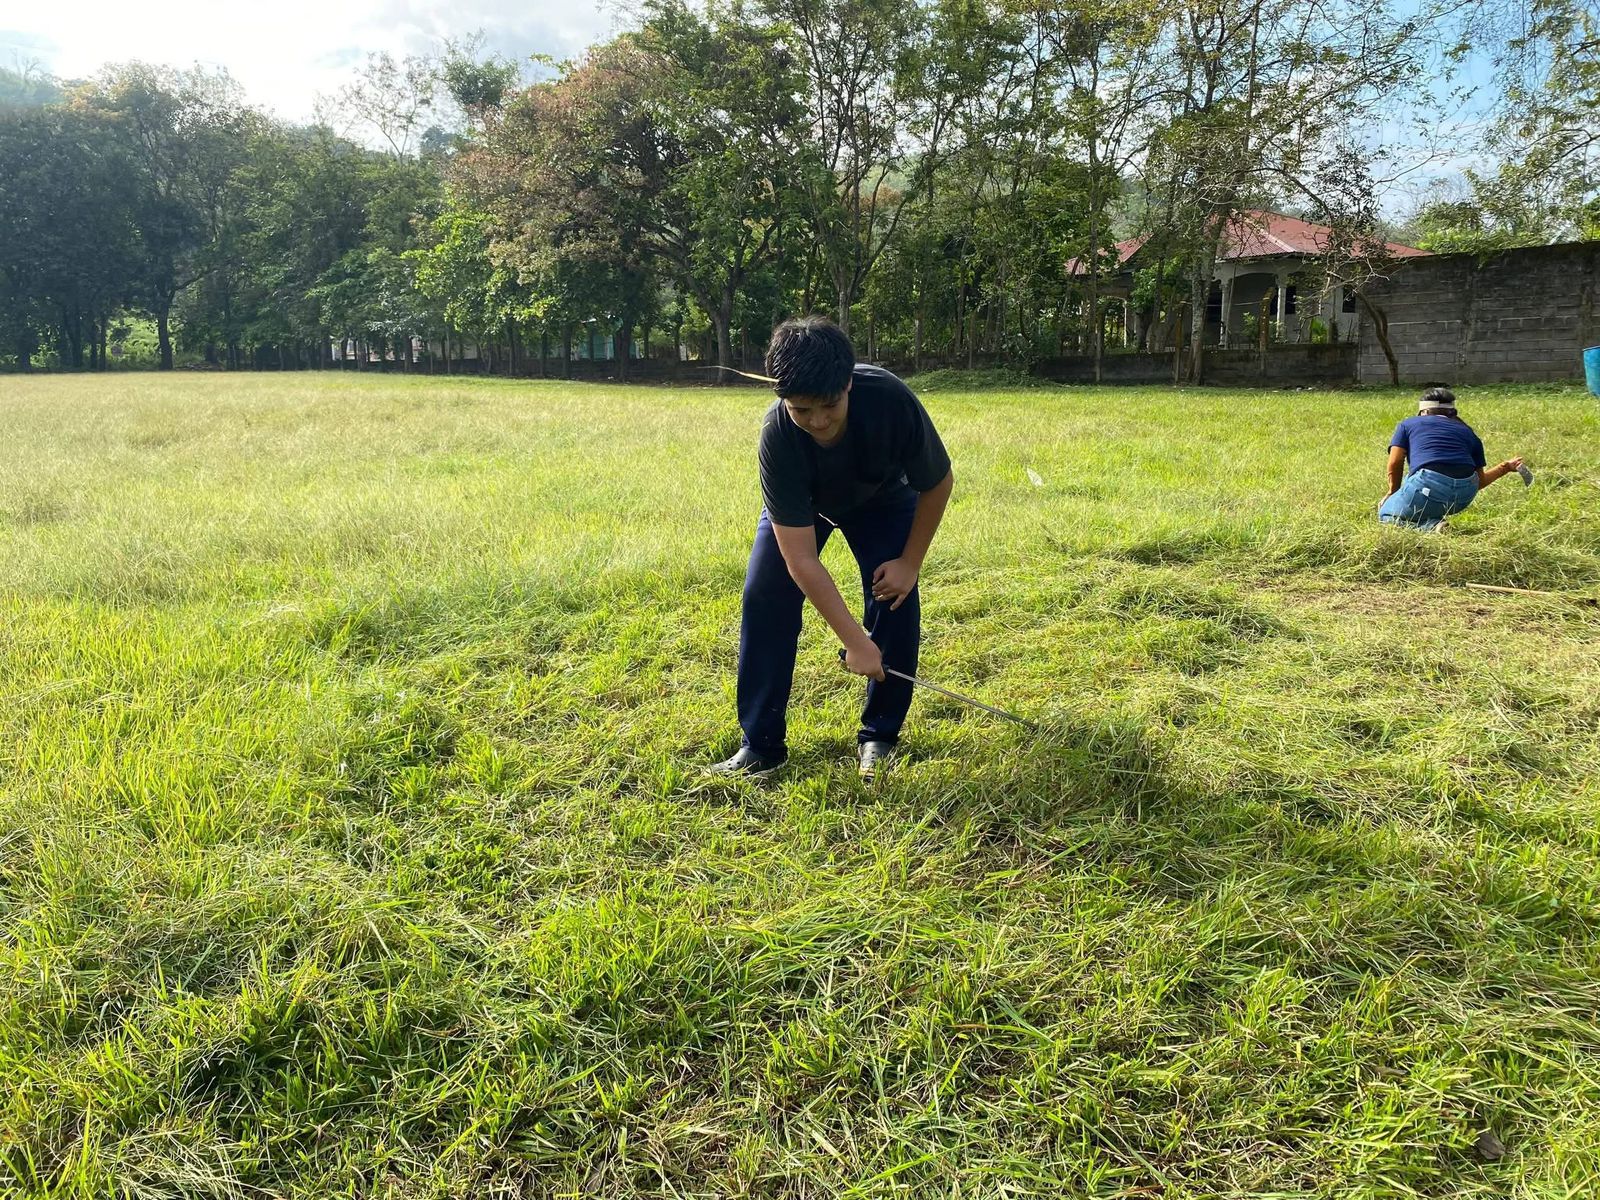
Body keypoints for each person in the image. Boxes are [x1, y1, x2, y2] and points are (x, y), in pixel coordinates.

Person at [709, 317, 954, 780]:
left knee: (894, 595)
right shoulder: (778, 434)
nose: (818, 421)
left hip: (882, 498)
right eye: (802, 410)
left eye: (829, 405)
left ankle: (879, 736)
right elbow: (800, 558)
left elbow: (938, 483)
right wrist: (854, 642)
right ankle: (761, 746)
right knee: (765, 596)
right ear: (782, 399)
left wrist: (910, 563)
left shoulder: (888, 398)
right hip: (806, 509)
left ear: (848, 384)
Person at [1379, 387, 1525, 531]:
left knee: (1386, 513)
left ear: (1423, 412)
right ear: (1452, 412)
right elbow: (1479, 482)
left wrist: (1393, 493)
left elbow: (1395, 461)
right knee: (1409, 480)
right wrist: (1505, 468)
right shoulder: (1468, 432)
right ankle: (1433, 521)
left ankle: (1429, 526)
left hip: (1427, 487)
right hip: (1462, 497)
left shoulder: (1408, 424)